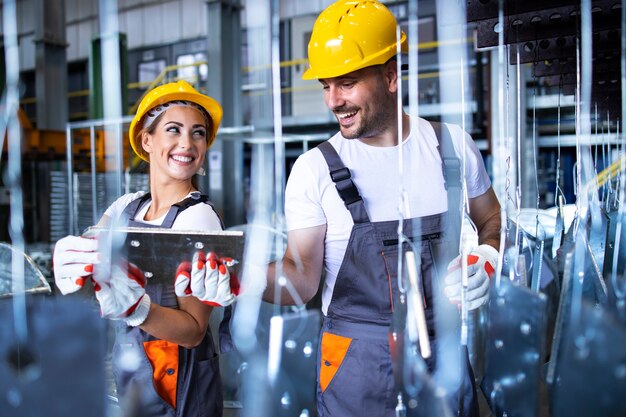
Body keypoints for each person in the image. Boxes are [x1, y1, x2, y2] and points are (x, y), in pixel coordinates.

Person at [263, 1, 501, 416]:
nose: (332, 101)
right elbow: (300, 281)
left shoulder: (451, 148)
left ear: (391, 76)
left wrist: (490, 257)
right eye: (325, 86)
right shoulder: (314, 169)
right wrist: (234, 279)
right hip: (355, 368)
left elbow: (491, 219)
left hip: (442, 355)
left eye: (347, 83)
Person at [52, 80, 238, 417]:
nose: (187, 143)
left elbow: (194, 332)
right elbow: (92, 265)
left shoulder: (198, 217)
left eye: (198, 133)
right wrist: (70, 263)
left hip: (180, 383)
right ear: (146, 139)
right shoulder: (126, 207)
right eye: (174, 130)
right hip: (132, 370)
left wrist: (138, 310)